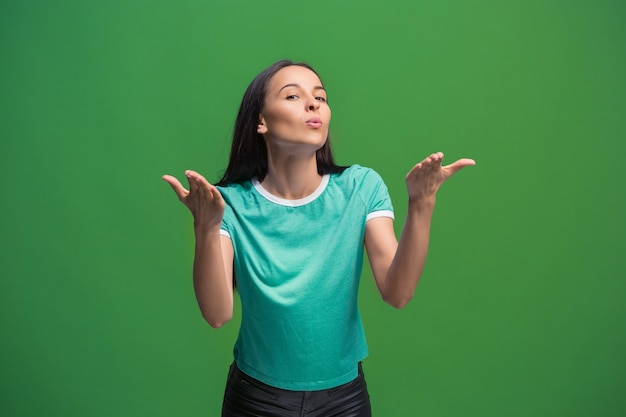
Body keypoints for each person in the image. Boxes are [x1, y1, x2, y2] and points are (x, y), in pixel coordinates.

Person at [163, 59, 475, 417]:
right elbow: (217, 314)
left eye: (321, 98)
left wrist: (421, 203)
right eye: (293, 96)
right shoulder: (228, 204)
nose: (314, 104)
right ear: (260, 122)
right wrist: (204, 228)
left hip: (343, 399)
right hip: (256, 400)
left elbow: (398, 292)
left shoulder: (361, 187)